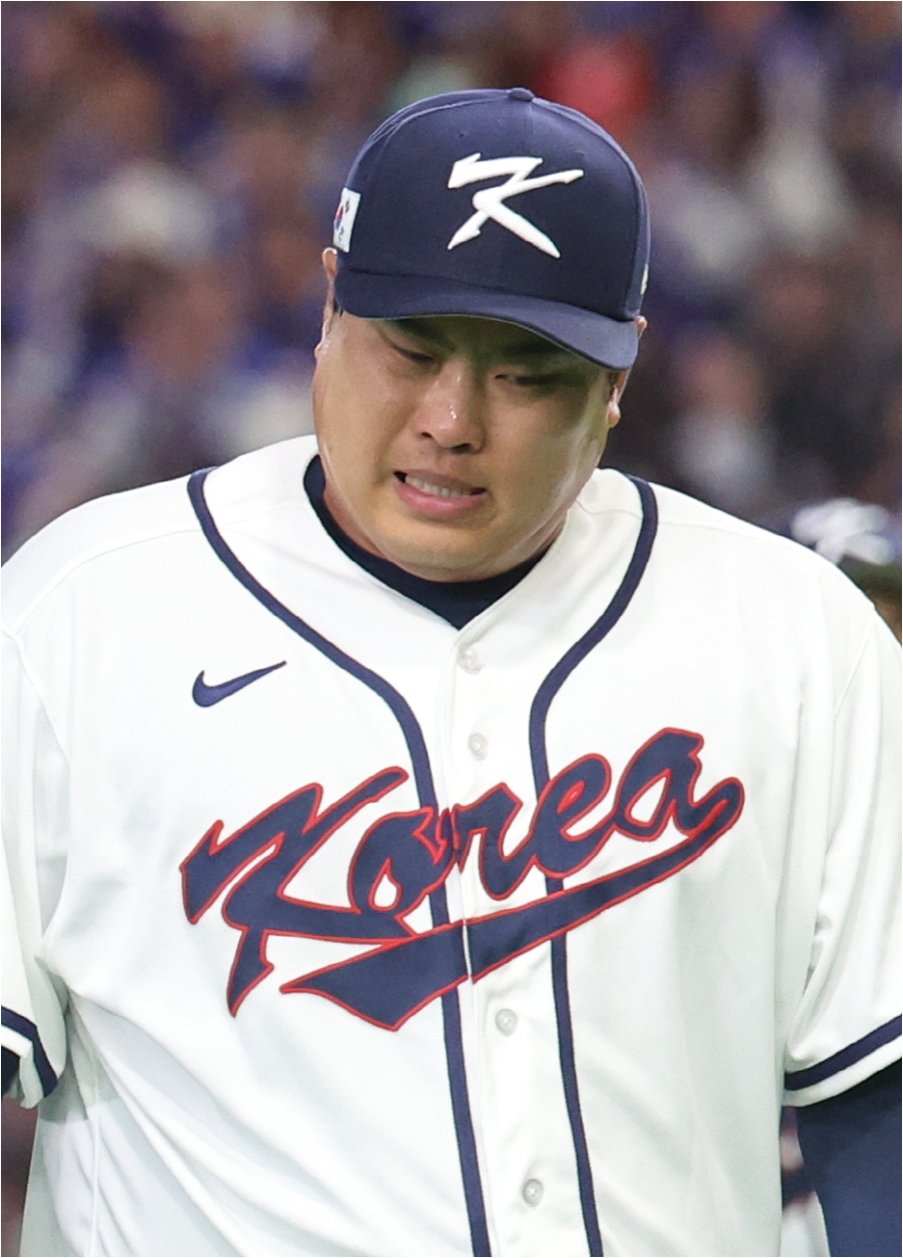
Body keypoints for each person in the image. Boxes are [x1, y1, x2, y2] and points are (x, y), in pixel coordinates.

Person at [2, 88, 899, 1258]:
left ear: (618, 380)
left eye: (526, 374)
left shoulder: (795, 637)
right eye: (411, 350)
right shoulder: (80, 614)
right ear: (329, 306)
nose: (451, 419)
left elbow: (877, 1102)